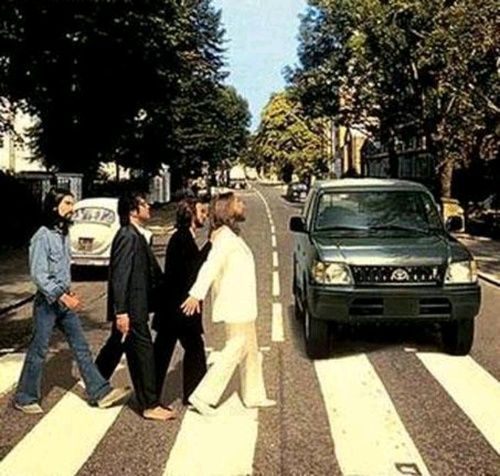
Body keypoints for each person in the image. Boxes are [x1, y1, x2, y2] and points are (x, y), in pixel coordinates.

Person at [14, 188, 131, 414]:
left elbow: (61, 270)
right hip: (48, 303)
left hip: (63, 301)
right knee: (39, 350)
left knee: (81, 348)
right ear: (53, 206)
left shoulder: (63, 234)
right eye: (67, 203)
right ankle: (25, 397)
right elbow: (39, 275)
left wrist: (69, 292)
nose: (71, 208)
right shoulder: (42, 236)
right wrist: (62, 295)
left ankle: (99, 392)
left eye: (72, 203)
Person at [182, 192, 275, 415]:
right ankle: (203, 395)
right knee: (235, 348)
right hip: (235, 304)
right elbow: (210, 266)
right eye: (238, 202)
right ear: (226, 209)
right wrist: (196, 293)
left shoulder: (229, 235)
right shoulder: (223, 238)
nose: (242, 205)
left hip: (243, 304)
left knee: (250, 350)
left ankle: (254, 395)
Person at [94, 192, 175, 421]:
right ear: (133, 211)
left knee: (115, 346)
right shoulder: (127, 236)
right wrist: (121, 312)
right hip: (131, 308)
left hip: (134, 306)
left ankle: (95, 384)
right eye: (143, 204)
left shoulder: (136, 234)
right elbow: (120, 276)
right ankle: (149, 404)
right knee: (144, 353)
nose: (148, 206)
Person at [153, 198, 211, 405]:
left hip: (175, 309)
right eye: (201, 212)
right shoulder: (182, 238)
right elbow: (193, 269)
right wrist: (211, 244)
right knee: (187, 350)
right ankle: (192, 395)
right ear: (191, 215)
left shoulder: (183, 237)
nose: (205, 215)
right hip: (179, 309)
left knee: (167, 352)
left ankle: (154, 396)